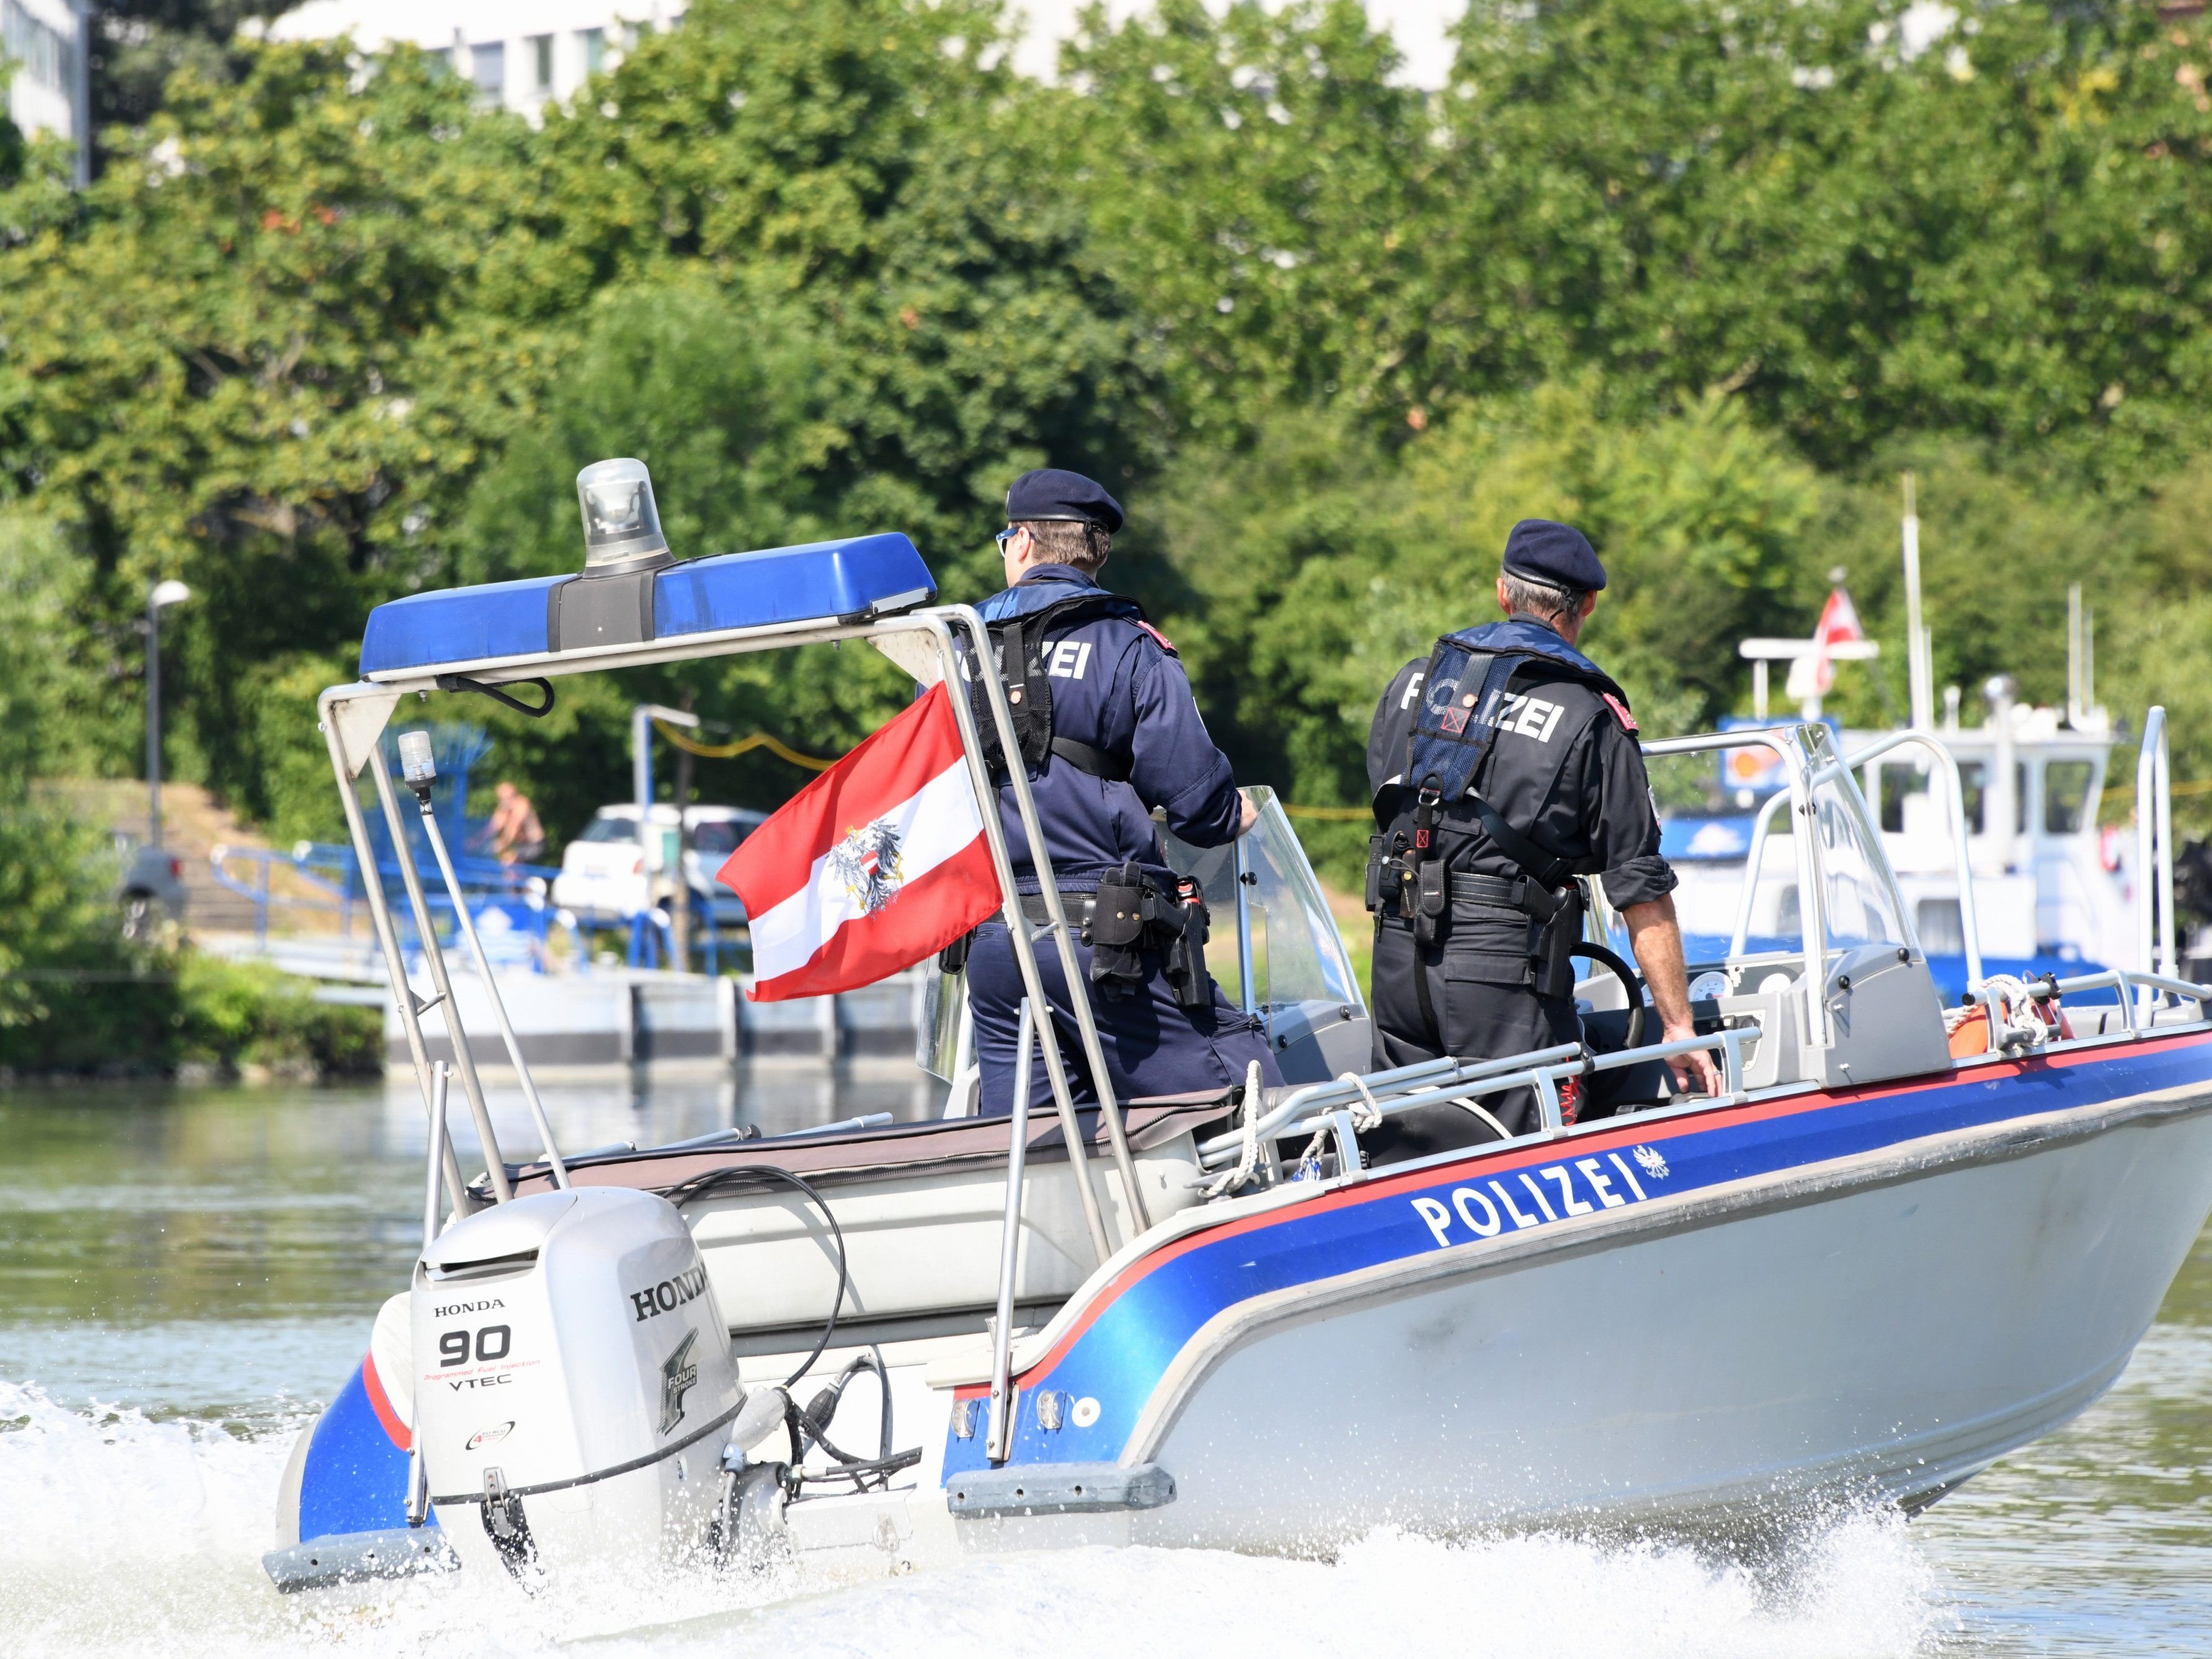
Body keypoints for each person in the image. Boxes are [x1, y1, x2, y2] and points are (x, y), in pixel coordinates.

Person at [1361, 518, 1718, 1164]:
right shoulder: (1589, 713)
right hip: (1502, 977)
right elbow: (1638, 888)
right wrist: (1677, 1026)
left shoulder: (1412, 682)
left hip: (1395, 958)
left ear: (1502, 592)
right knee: (1526, 1163)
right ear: (1585, 607)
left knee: (1398, 1155)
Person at [959, 468, 1281, 1117]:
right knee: (1253, 1094)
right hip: (1106, 948)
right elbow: (1199, 806)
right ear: (1096, 552)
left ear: (1021, 542)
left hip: (993, 945)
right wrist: (1233, 814)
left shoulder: (951, 650)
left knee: (1038, 1148)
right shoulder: (1131, 648)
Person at [484, 781, 546, 866]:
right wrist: (475, 842)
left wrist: (502, 844)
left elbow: (514, 826)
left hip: (535, 846)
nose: (504, 801)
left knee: (508, 861)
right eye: (501, 798)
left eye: (507, 797)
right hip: (521, 846)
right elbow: (492, 828)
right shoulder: (503, 809)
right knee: (501, 859)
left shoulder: (522, 805)